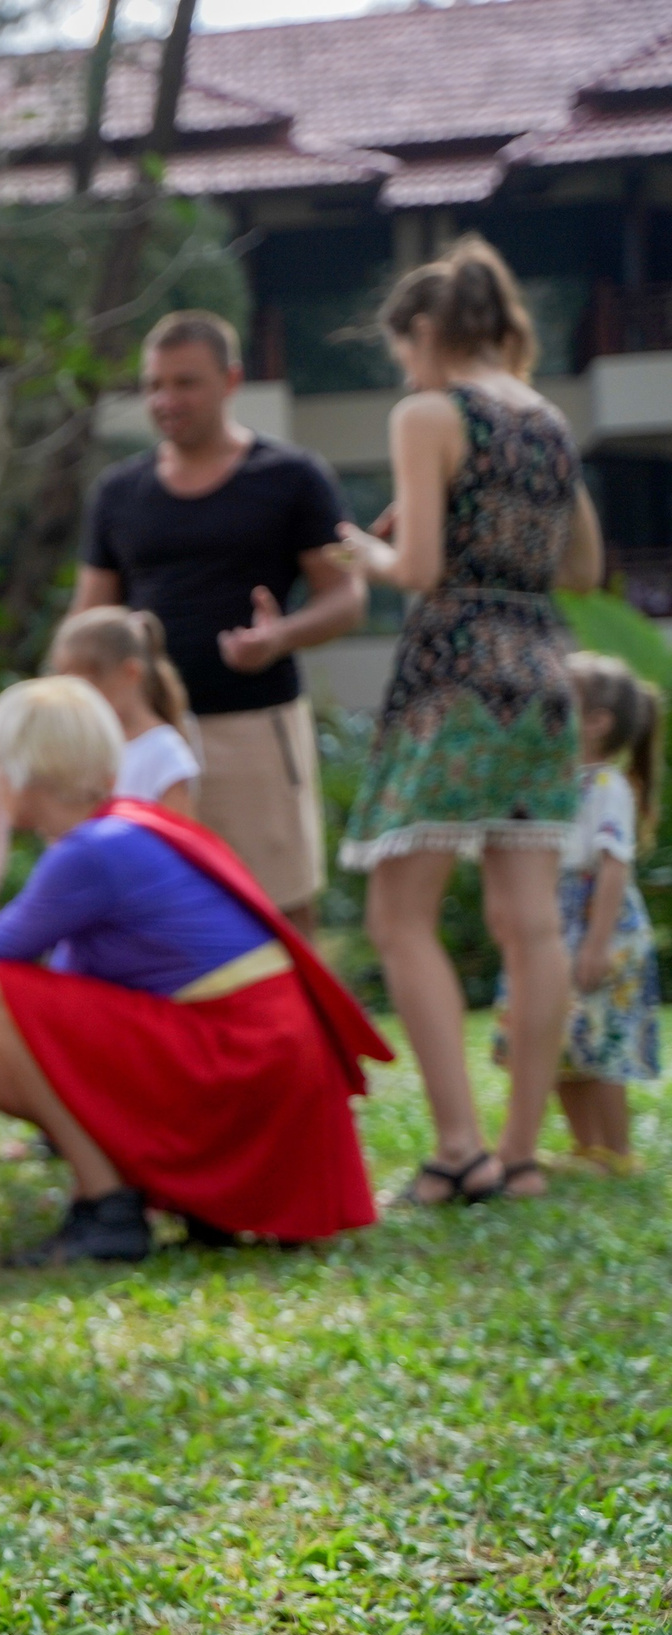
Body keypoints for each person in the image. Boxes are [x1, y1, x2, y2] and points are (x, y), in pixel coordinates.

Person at [0, 678, 386, 1266]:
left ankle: (109, 1207)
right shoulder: (110, 834)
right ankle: (162, 1194)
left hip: (242, 1053)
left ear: (26, 773)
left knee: (4, 997)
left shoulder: (90, 851)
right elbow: (69, 990)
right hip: (252, 1056)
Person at [332, 237, 604, 1207]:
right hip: (540, 669)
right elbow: (579, 567)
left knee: (397, 916)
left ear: (428, 332)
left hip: (452, 675)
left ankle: (458, 1149)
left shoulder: (429, 412)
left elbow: (413, 571)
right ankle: (521, 1156)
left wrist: (359, 549)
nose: (402, 368)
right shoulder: (547, 423)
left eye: (403, 347)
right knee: (527, 922)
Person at [73, 309, 367, 931]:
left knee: (280, 909)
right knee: (151, 915)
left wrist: (279, 637)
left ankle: (295, 1030)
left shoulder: (292, 476)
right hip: (145, 739)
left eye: (185, 383)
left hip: (255, 726)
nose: (165, 400)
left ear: (231, 381)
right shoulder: (118, 492)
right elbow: (88, 619)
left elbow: (347, 599)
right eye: (154, 385)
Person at [493, 652, 659, 1175]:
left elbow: (613, 867)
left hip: (596, 925)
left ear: (595, 722)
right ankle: (587, 1147)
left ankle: (617, 1149)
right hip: (554, 920)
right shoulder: (554, 780)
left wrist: (595, 943)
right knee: (559, 1038)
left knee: (600, 1039)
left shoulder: (607, 788)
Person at [49, 606, 200, 812]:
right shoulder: (87, 747)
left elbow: (174, 836)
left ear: (130, 673)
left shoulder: (163, 751)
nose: (75, 701)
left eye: (86, 688)